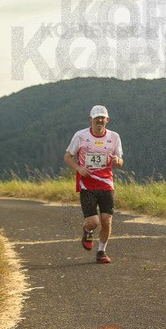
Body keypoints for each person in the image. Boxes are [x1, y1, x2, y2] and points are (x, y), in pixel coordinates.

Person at [64, 105, 124, 264]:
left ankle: (101, 252)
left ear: (107, 120)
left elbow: (120, 162)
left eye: (102, 118)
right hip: (87, 185)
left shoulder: (114, 137)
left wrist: (117, 161)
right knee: (93, 222)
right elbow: (68, 157)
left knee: (106, 221)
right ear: (90, 119)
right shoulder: (81, 136)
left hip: (106, 184)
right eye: (96, 117)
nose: (99, 120)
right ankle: (87, 230)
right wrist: (79, 168)